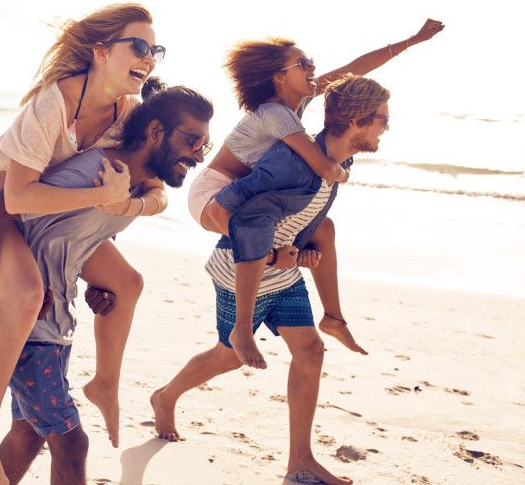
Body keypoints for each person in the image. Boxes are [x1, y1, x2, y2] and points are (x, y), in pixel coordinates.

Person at [0, 3, 170, 484]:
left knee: (127, 282)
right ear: (101, 51)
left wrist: (126, 207)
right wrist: (100, 195)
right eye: (140, 46)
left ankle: (105, 384)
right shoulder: (54, 102)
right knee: (25, 295)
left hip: (39, 221)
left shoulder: (126, 113)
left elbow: (157, 191)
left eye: (157, 50)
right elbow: (17, 196)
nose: (149, 58)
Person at [0, 81, 213, 484]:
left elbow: (82, 238)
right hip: (22, 315)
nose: (199, 154)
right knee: (72, 442)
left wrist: (98, 287)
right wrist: (0, 299)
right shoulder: (91, 171)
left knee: (29, 432)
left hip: (57, 315)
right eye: (192, 140)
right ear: (155, 132)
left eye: (205, 144)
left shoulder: (131, 186)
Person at [151, 74, 391, 485]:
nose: (387, 126)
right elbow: (239, 214)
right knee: (228, 355)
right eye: (382, 119)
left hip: (282, 273)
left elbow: (301, 214)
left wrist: (300, 246)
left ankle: (300, 462)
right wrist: (269, 255)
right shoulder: (288, 162)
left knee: (311, 352)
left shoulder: (336, 161)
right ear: (356, 120)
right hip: (242, 270)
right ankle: (166, 396)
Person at [188, 19, 444, 368]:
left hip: (241, 190)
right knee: (261, 241)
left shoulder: (297, 104)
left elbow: (353, 70)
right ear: (280, 77)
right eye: (303, 64)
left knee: (322, 230)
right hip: (213, 194)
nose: (313, 68)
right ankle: (243, 330)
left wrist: (412, 41)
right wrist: (342, 172)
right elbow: (324, 168)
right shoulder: (275, 114)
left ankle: (334, 318)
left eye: (312, 62)